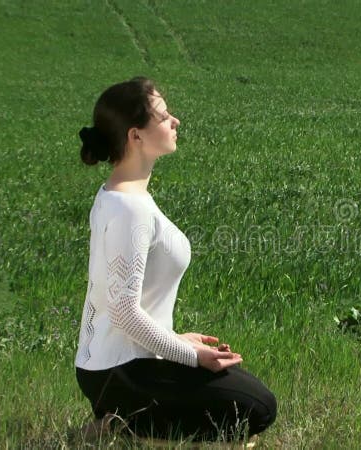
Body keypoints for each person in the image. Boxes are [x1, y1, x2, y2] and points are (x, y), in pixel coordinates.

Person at [72, 76, 277, 444]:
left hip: (114, 364)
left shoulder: (117, 194)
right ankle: (124, 426)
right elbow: (122, 311)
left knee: (250, 396)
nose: (175, 122)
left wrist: (173, 338)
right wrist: (189, 355)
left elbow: (115, 302)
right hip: (118, 371)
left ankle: (123, 419)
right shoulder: (129, 209)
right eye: (164, 116)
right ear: (136, 136)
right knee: (257, 408)